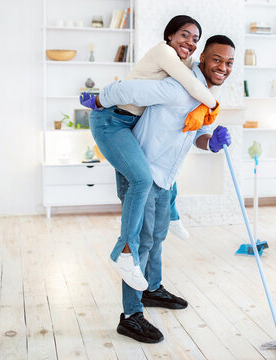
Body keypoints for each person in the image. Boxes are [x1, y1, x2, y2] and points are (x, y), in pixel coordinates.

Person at [95, 35, 235, 343]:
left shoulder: (204, 98)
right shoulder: (177, 86)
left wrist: (212, 142)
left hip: (166, 178)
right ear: (202, 60)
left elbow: (199, 135)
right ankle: (131, 316)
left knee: (157, 237)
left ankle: (152, 290)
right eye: (217, 60)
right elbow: (128, 89)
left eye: (229, 63)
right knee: (141, 244)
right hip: (142, 171)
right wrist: (99, 99)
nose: (223, 67)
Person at [80, 15, 220, 292]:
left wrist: (209, 133)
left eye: (195, 39)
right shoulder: (165, 55)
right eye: (184, 35)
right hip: (112, 120)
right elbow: (189, 85)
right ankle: (125, 255)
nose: (189, 42)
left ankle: (171, 224)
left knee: (166, 180)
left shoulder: (184, 66)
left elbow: (196, 75)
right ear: (169, 36)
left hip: (130, 125)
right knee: (143, 181)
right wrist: (214, 104)